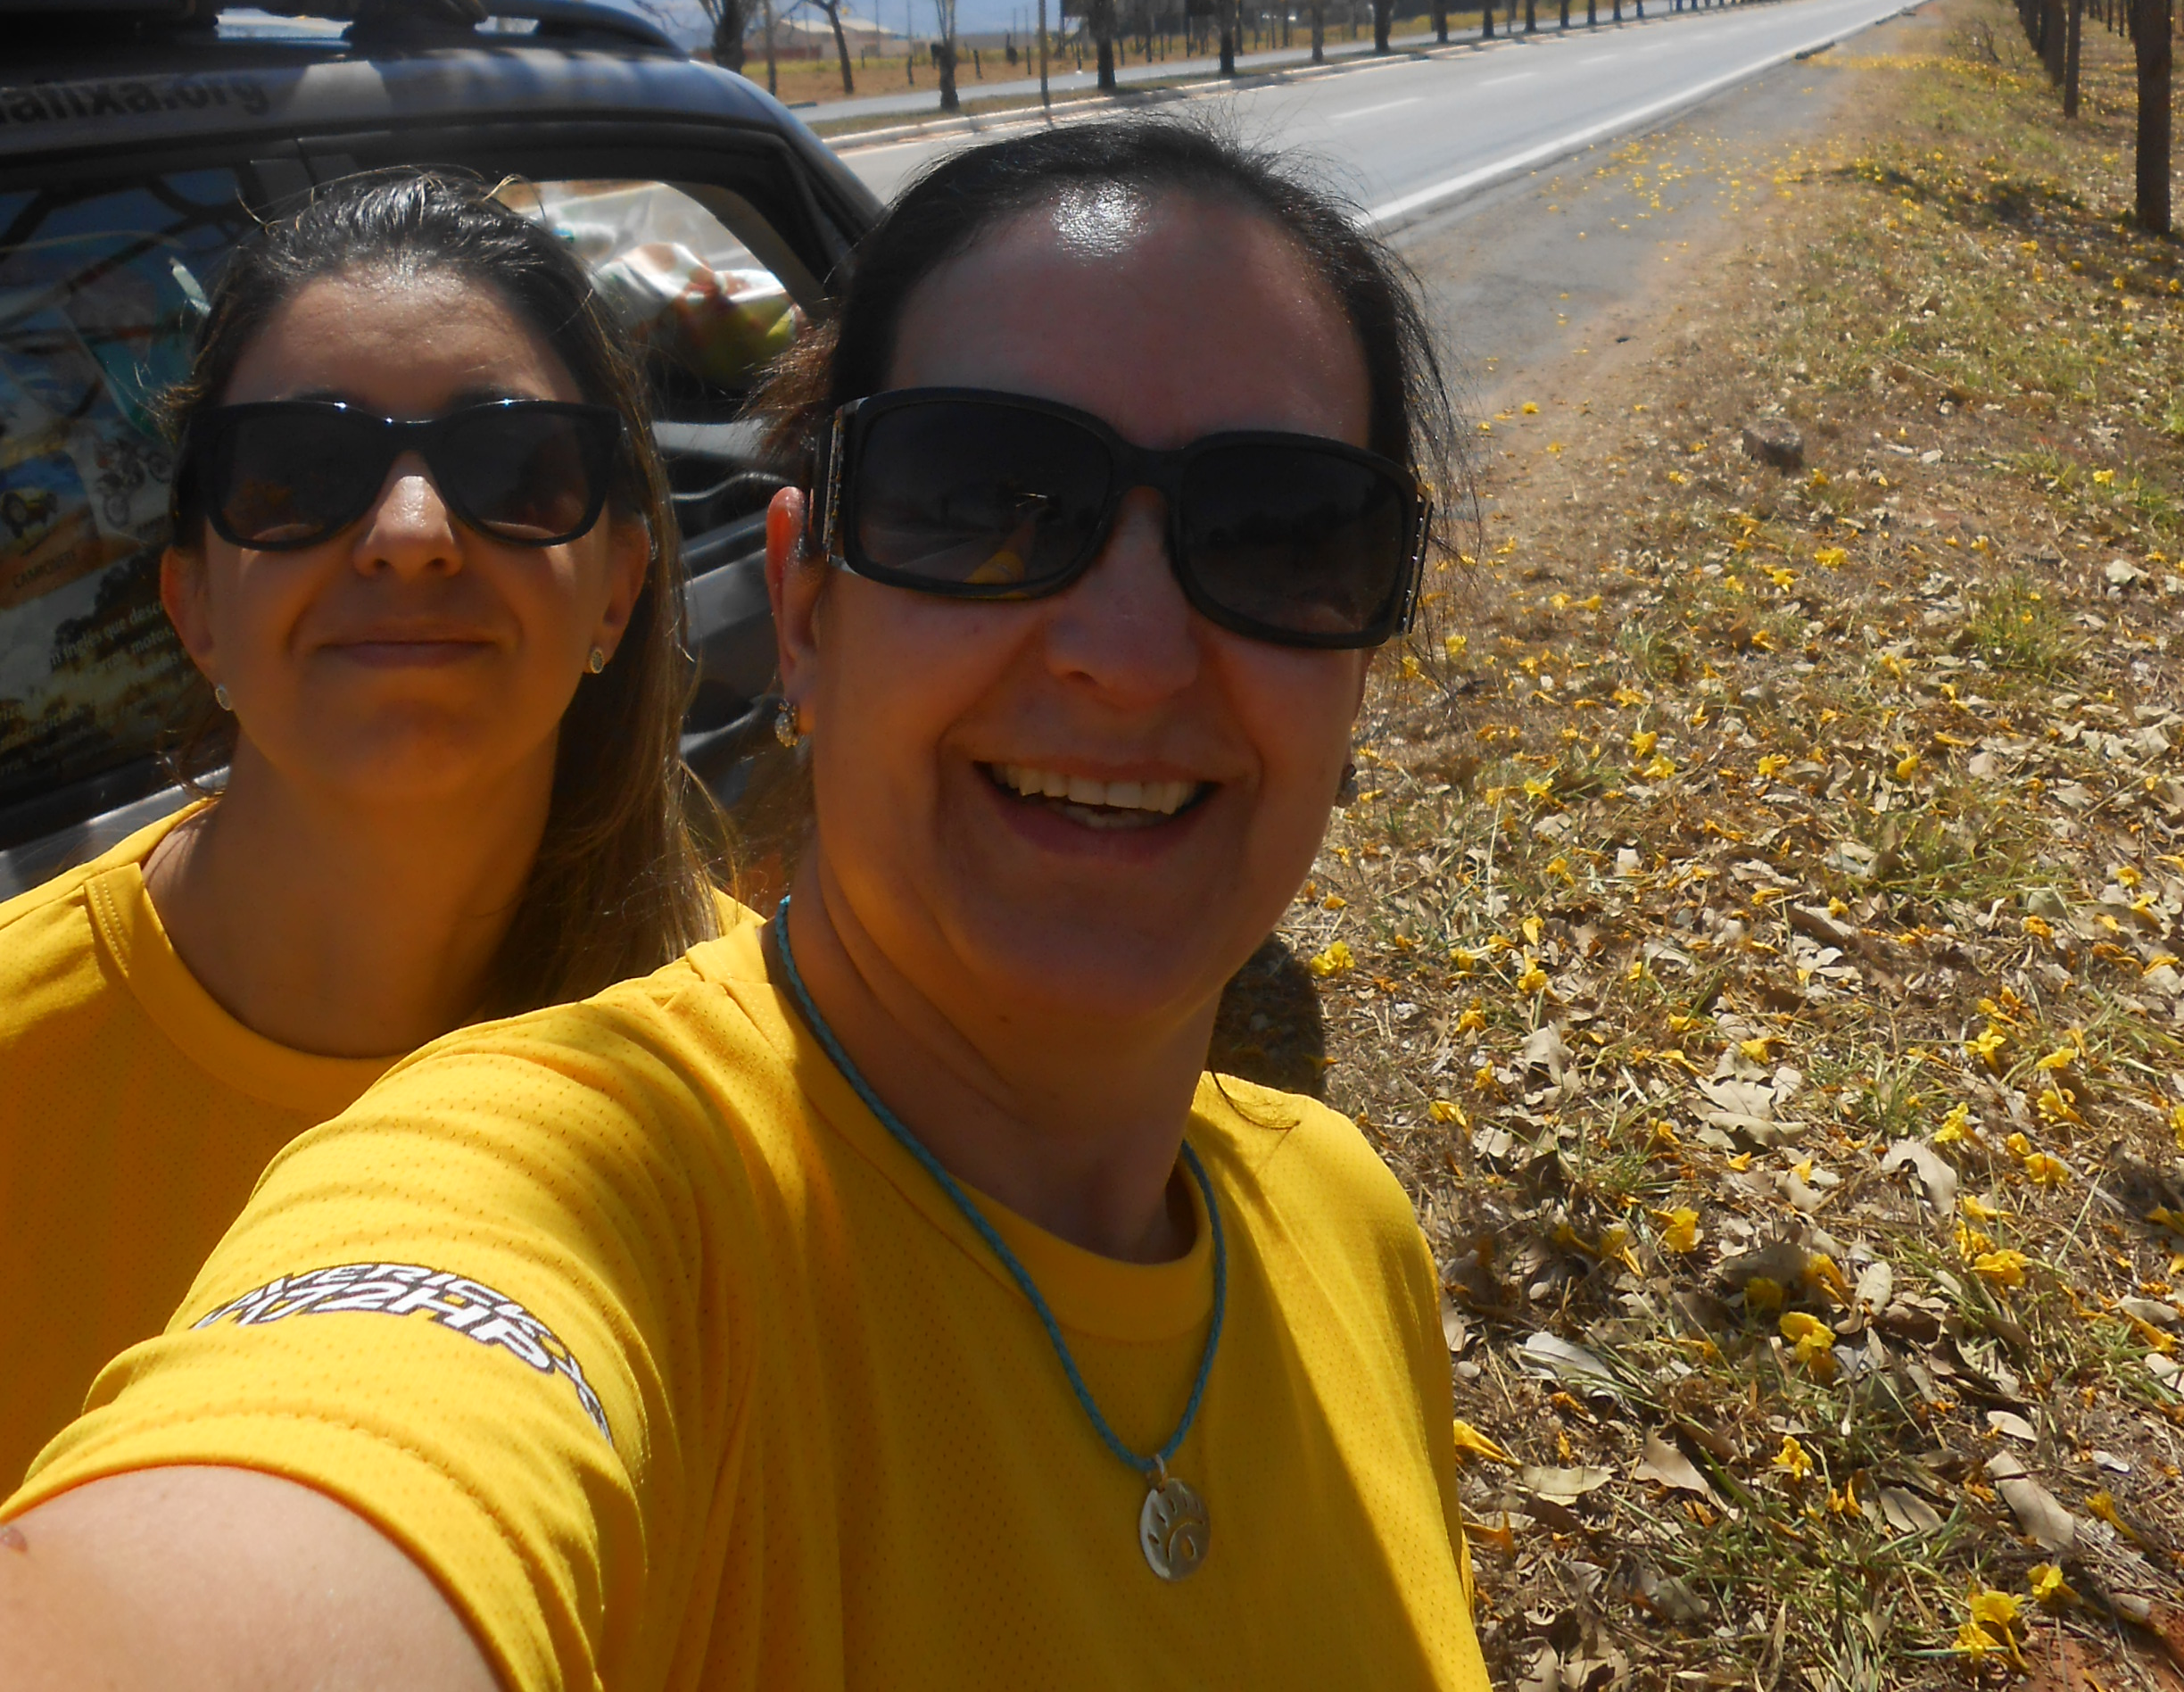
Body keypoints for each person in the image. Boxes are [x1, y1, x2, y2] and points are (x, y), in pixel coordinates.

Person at [0, 116, 1491, 1692]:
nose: (1127, 654)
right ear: (801, 606)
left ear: (1362, 665)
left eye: (1281, 533)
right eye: (981, 497)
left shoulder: (1351, 1230)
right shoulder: (589, 1175)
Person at [0, 170, 732, 1496]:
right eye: (297, 474)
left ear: (619, 588)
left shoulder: (762, 1075)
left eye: (511, 465)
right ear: (194, 605)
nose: (408, 534)